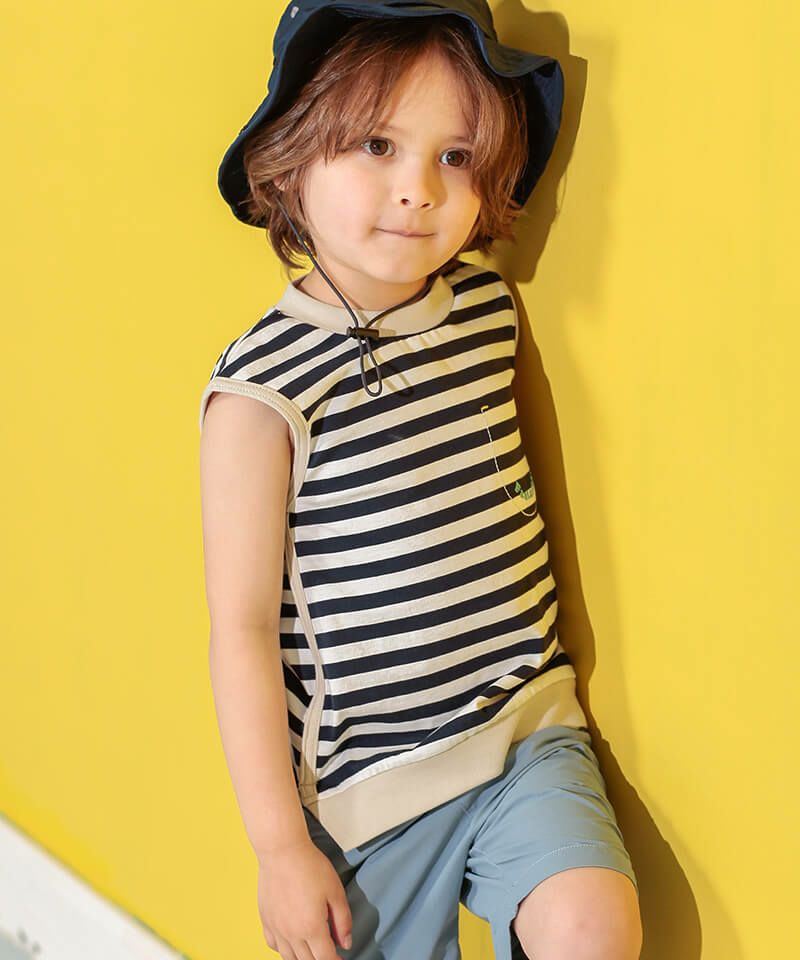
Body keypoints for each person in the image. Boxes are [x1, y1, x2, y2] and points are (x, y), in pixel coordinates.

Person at [198, 2, 642, 959]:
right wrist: (279, 848)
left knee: (593, 928)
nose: (418, 191)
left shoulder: (486, 309)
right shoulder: (262, 394)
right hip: (372, 794)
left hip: (523, 730)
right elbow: (241, 630)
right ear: (290, 155)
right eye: (377, 146)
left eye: (456, 157)